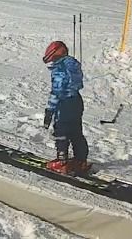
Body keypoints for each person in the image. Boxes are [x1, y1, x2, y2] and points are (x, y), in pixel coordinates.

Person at [42, 40, 89, 176]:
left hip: (65, 103)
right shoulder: (73, 65)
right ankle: (81, 160)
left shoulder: (60, 69)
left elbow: (57, 91)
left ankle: (62, 162)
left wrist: (50, 110)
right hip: (76, 101)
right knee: (75, 132)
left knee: (61, 131)